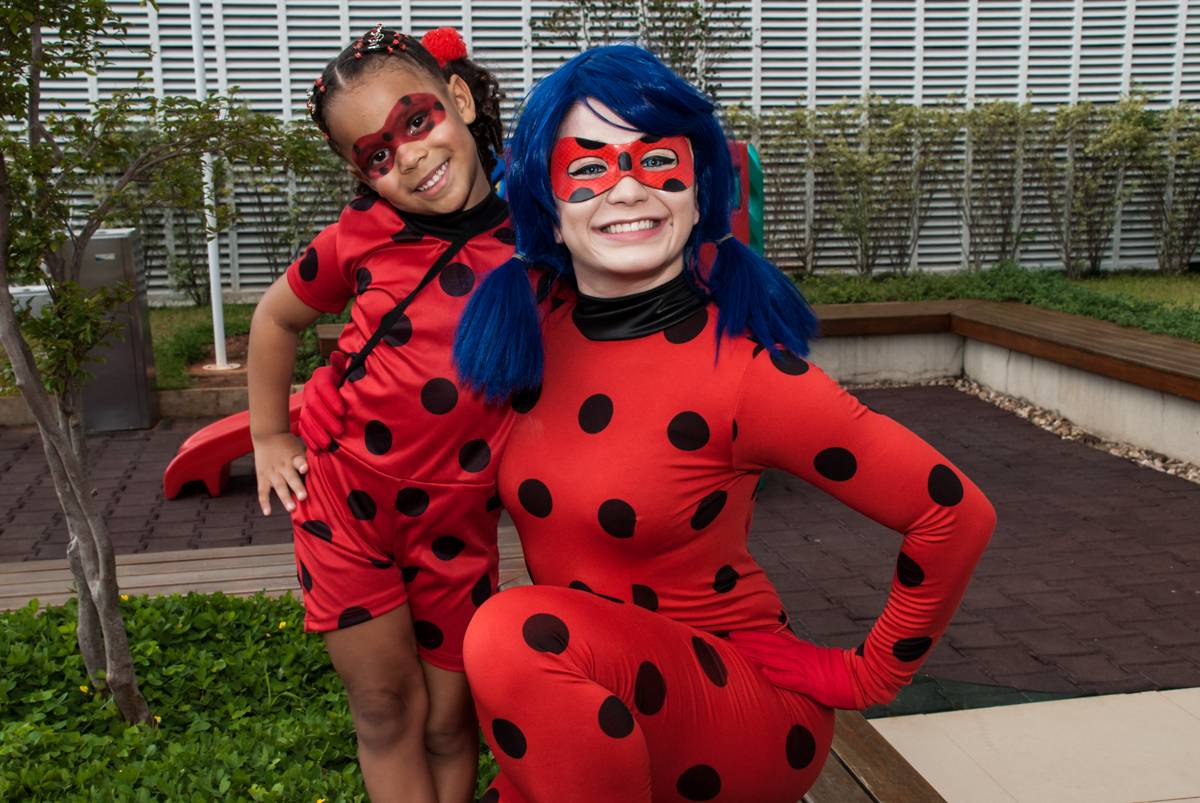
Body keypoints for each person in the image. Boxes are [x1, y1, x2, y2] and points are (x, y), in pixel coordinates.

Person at [301, 43, 995, 803]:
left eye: (657, 161)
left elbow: (952, 510)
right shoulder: (533, 331)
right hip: (592, 700)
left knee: (507, 630)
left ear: (700, 192)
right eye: (588, 168)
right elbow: (416, 399)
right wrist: (330, 394)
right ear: (548, 208)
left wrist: (867, 672)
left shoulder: (746, 373)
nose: (626, 190)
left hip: (733, 709)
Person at [247, 25, 514, 803]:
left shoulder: (540, 239)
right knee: (387, 708)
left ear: (459, 99)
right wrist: (269, 433)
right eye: (376, 154)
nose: (410, 155)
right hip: (344, 504)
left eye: (418, 120)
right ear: (361, 171)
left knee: (449, 722)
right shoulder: (358, 236)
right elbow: (273, 320)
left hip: (459, 521)